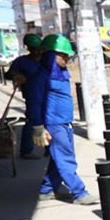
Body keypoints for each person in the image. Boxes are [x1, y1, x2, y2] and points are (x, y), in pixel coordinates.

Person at [26, 34, 96, 204]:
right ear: (50, 55)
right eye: (63, 55)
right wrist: (38, 126)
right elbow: (34, 102)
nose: (67, 58)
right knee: (66, 158)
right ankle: (80, 193)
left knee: (58, 158)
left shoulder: (60, 74)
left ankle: (47, 190)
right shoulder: (41, 76)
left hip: (64, 122)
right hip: (54, 123)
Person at [7, 33, 45, 160]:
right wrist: (15, 74)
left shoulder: (46, 59)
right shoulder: (22, 62)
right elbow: (8, 74)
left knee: (50, 121)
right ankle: (26, 151)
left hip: (48, 94)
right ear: (28, 48)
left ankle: (50, 149)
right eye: (33, 48)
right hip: (32, 96)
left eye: (38, 48)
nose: (37, 51)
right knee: (32, 122)